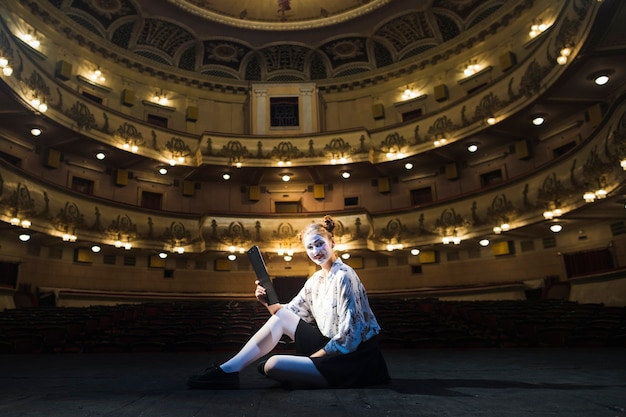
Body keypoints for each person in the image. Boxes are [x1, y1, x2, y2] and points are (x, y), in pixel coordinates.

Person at [186, 215, 390, 389]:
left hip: (354, 360)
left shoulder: (345, 275)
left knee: (273, 365)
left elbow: (349, 338)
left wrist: (312, 359)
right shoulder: (314, 281)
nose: (315, 250)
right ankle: (228, 371)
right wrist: (266, 301)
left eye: (319, 243)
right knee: (275, 350)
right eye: (310, 247)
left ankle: (303, 371)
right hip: (329, 346)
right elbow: (287, 314)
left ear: (332, 242)